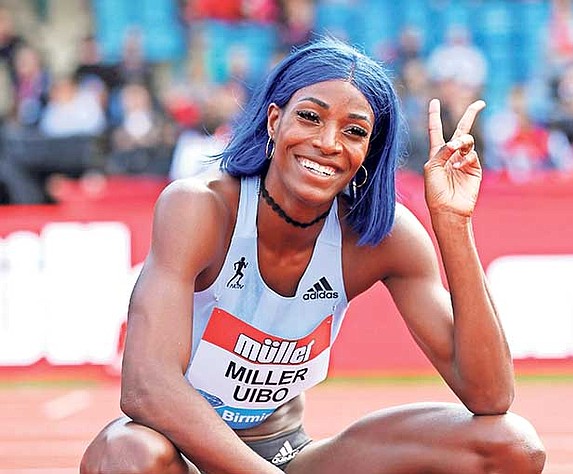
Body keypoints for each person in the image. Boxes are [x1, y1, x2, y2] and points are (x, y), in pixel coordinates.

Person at [80, 38, 546, 474]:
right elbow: (146, 385)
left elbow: (490, 394)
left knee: (511, 445)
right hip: (177, 455)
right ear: (272, 121)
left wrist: (453, 224)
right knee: (129, 452)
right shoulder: (200, 208)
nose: (328, 142)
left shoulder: (382, 237)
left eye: (355, 130)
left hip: (287, 454)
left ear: (369, 151)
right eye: (310, 117)